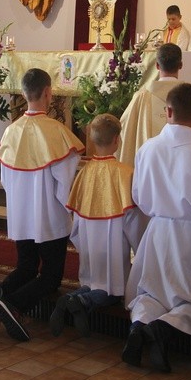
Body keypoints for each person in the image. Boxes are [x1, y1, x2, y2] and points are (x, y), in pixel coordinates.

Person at [122, 83, 191, 372]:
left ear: (167, 111)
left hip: (158, 231)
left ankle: (140, 326)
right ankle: (165, 328)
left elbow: (139, 197)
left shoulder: (147, 150)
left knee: (150, 294)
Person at [0, 68, 84, 342]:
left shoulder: (11, 132)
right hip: (49, 217)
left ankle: (0, 292)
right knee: (50, 277)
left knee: (26, 266)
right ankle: (12, 306)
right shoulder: (57, 132)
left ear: (24, 94)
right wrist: (69, 212)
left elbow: (5, 179)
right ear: (48, 93)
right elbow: (64, 182)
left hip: (21, 213)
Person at [50, 114, 142, 337]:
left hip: (90, 249)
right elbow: (133, 222)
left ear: (91, 139)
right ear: (117, 140)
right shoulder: (126, 173)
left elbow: (77, 225)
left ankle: (73, 297)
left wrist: (82, 243)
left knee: (91, 281)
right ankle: (82, 301)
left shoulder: (84, 173)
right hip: (114, 249)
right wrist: (139, 249)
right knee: (111, 291)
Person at [118, 43, 191, 166]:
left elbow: (124, 127)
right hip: (188, 167)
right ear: (181, 65)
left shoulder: (142, 97)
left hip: (150, 167)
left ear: (157, 65)